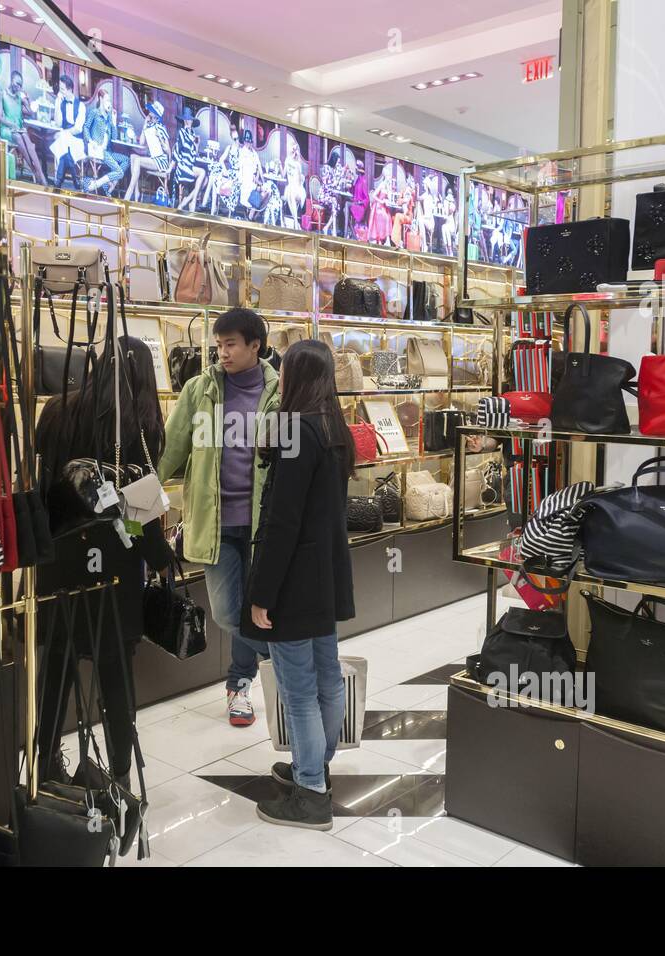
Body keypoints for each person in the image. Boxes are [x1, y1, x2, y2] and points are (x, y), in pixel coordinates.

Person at [35, 337, 171, 787]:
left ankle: (45, 765)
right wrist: (161, 557)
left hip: (59, 561)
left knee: (56, 667)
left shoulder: (56, 411)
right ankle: (119, 775)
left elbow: (41, 489)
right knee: (115, 675)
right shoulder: (142, 427)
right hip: (116, 564)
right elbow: (142, 510)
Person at [243, 340, 356, 829]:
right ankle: (317, 766)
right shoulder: (335, 429)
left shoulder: (296, 430)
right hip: (326, 575)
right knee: (326, 676)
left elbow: (282, 521)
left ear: (296, 377)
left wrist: (263, 592)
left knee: (299, 687)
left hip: (292, 579)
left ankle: (310, 790)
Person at [159, 308, 280, 726]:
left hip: (263, 524)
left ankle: (239, 686)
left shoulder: (278, 393)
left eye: (230, 345)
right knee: (229, 613)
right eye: (218, 345)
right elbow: (173, 446)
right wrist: (146, 490)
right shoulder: (199, 390)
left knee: (258, 608)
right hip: (214, 521)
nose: (222, 353)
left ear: (254, 346)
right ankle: (282, 661)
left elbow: (289, 457)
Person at [0, 70, 46, 184]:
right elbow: (0, 118)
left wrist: (27, 100)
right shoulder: (2, 94)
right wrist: (13, 125)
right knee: (19, 137)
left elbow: (30, 112)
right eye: (16, 83)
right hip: (7, 128)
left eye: (20, 85)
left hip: (19, 128)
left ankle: (41, 175)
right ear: (11, 80)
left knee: (27, 139)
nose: (18, 87)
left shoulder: (19, 97)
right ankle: (35, 172)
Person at [82, 83, 128, 195]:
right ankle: (100, 185)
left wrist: (113, 120)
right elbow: (85, 127)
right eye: (106, 100)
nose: (109, 102)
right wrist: (90, 141)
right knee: (119, 172)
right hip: (98, 150)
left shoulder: (108, 118)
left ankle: (103, 184)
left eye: (109, 100)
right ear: (100, 99)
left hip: (107, 152)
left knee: (126, 160)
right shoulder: (94, 113)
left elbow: (114, 137)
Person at [124, 101, 172, 202]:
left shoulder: (161, 128)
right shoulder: (149, 126)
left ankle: (130, 191)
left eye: (152, 111)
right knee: (133, 156)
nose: (149, 112)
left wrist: (161, 141)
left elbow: (168, 150)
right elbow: (141, 143)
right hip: (152, 159)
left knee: (137, 161)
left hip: (161, 161)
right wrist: (144, 125)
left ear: (156, 115)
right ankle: (136, 192)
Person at [49, 73, 86, 190]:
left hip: (77, 141)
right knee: (65, 145)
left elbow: (78, 129)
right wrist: (57, 104)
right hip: (65, 141)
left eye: (62, 89)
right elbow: (58, 123)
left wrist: (63, 133)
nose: (61, 92)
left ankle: (58, 181)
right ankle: (75, 179)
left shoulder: (81, 106)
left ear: (70, 90)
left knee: (63, 140)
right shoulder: (62, 102)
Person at [173, 107, 206, 211]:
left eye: (190, 120)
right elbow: (177, 151)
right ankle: (192, 202)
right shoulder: (182, 132)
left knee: (206, 179)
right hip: (183, 166)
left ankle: (185, 204)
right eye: (187, 120)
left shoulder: (192, 134)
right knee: (203, 173)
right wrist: (171, 167)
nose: (189, 122)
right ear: (184, 121)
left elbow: (194, 155)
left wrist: (197, 144)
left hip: (190, 165)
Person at [236, 128, 263, 220]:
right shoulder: (241, 152)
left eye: (250, 142)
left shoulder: (254, 153)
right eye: (246, 141)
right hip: (245, 180)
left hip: (253, 180)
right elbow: (239, 168)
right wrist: (240, 181)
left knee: (265, 191)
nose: (248, 143)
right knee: (253, 195)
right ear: (244, 141)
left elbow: (258, 167)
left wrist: (260, 179)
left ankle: (251, 216)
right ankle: (250, 217)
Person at [367, 163, 394, 244]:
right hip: (378, 207)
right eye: (389, 176)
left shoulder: (388, 186)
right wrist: (381, 201)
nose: (390, 178)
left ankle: (387, 239)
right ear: (385, 176)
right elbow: (374, 195)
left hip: (384, 207)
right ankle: (381, 238)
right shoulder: (382, 185)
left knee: (388, 217)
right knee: (385, 217)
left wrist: (389, 189)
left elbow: (389, 197)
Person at [283, 138, 306, 229]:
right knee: (290, 193)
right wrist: (280, 165)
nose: (294, 153)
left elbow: (300, 181)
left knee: (292, 193)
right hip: (290, 188)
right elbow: (283, 174)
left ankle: (296, 223)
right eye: (293, 150)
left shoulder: (298, 164)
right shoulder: (287, 160)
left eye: (295, 151)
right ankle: (296, 224)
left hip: (298, 189)